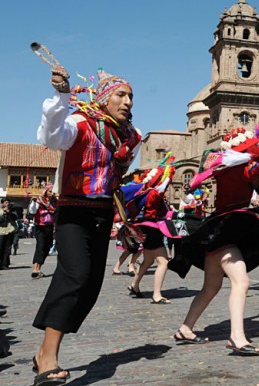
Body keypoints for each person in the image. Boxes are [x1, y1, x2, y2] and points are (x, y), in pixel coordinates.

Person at [32, 66, 142, 385]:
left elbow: (118, 175)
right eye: (121, 95)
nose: (128, 101)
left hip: (103, 211)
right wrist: (61, 96)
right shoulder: (80, 123)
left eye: (131, 96)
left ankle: (43, 351)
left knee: (90, 285)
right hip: (72, 210)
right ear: (105, 99)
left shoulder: (129, 136)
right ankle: (48, 358)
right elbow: (51, 137)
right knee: (75, 275)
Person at [169, 126, 259, 356]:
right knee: (241, 282)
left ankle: (185, 328)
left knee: (210, 287)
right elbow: (258, 172)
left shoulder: (223, 168)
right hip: (226, 231)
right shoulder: (245, 169)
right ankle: (237, 337)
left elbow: (198, 179)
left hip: (217, 228)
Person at [125, 160, 179, 304]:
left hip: (146, 228)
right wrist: (170, 172)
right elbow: (164, 184)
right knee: (163, 262)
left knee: (148, 260)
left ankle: (134, 285)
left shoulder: (146, 192)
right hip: (152, 228)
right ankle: (156, 295)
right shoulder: (154, 193)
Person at [29, 186, 57, 278]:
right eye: (50, 191)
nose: (52, 193)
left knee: (47, 246)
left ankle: (39, 268)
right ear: (45, 192)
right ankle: (35, 269)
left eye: (53, 191)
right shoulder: (39, 200)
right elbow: (32, 211)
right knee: (40, 246)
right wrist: (33, 202)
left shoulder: (55, 201)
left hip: (50, 226)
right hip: (40, 226)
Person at [0, 199, 18, 270]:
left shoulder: (12, 211)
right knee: (0, 248)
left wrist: (9, 212)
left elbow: (16, 218)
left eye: (8, 202)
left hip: (9, 231)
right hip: (1, 231)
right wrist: (4, 213)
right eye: (6, 202)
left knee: (7, 249)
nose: (7, 204)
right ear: (2, 203)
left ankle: (5, 264)